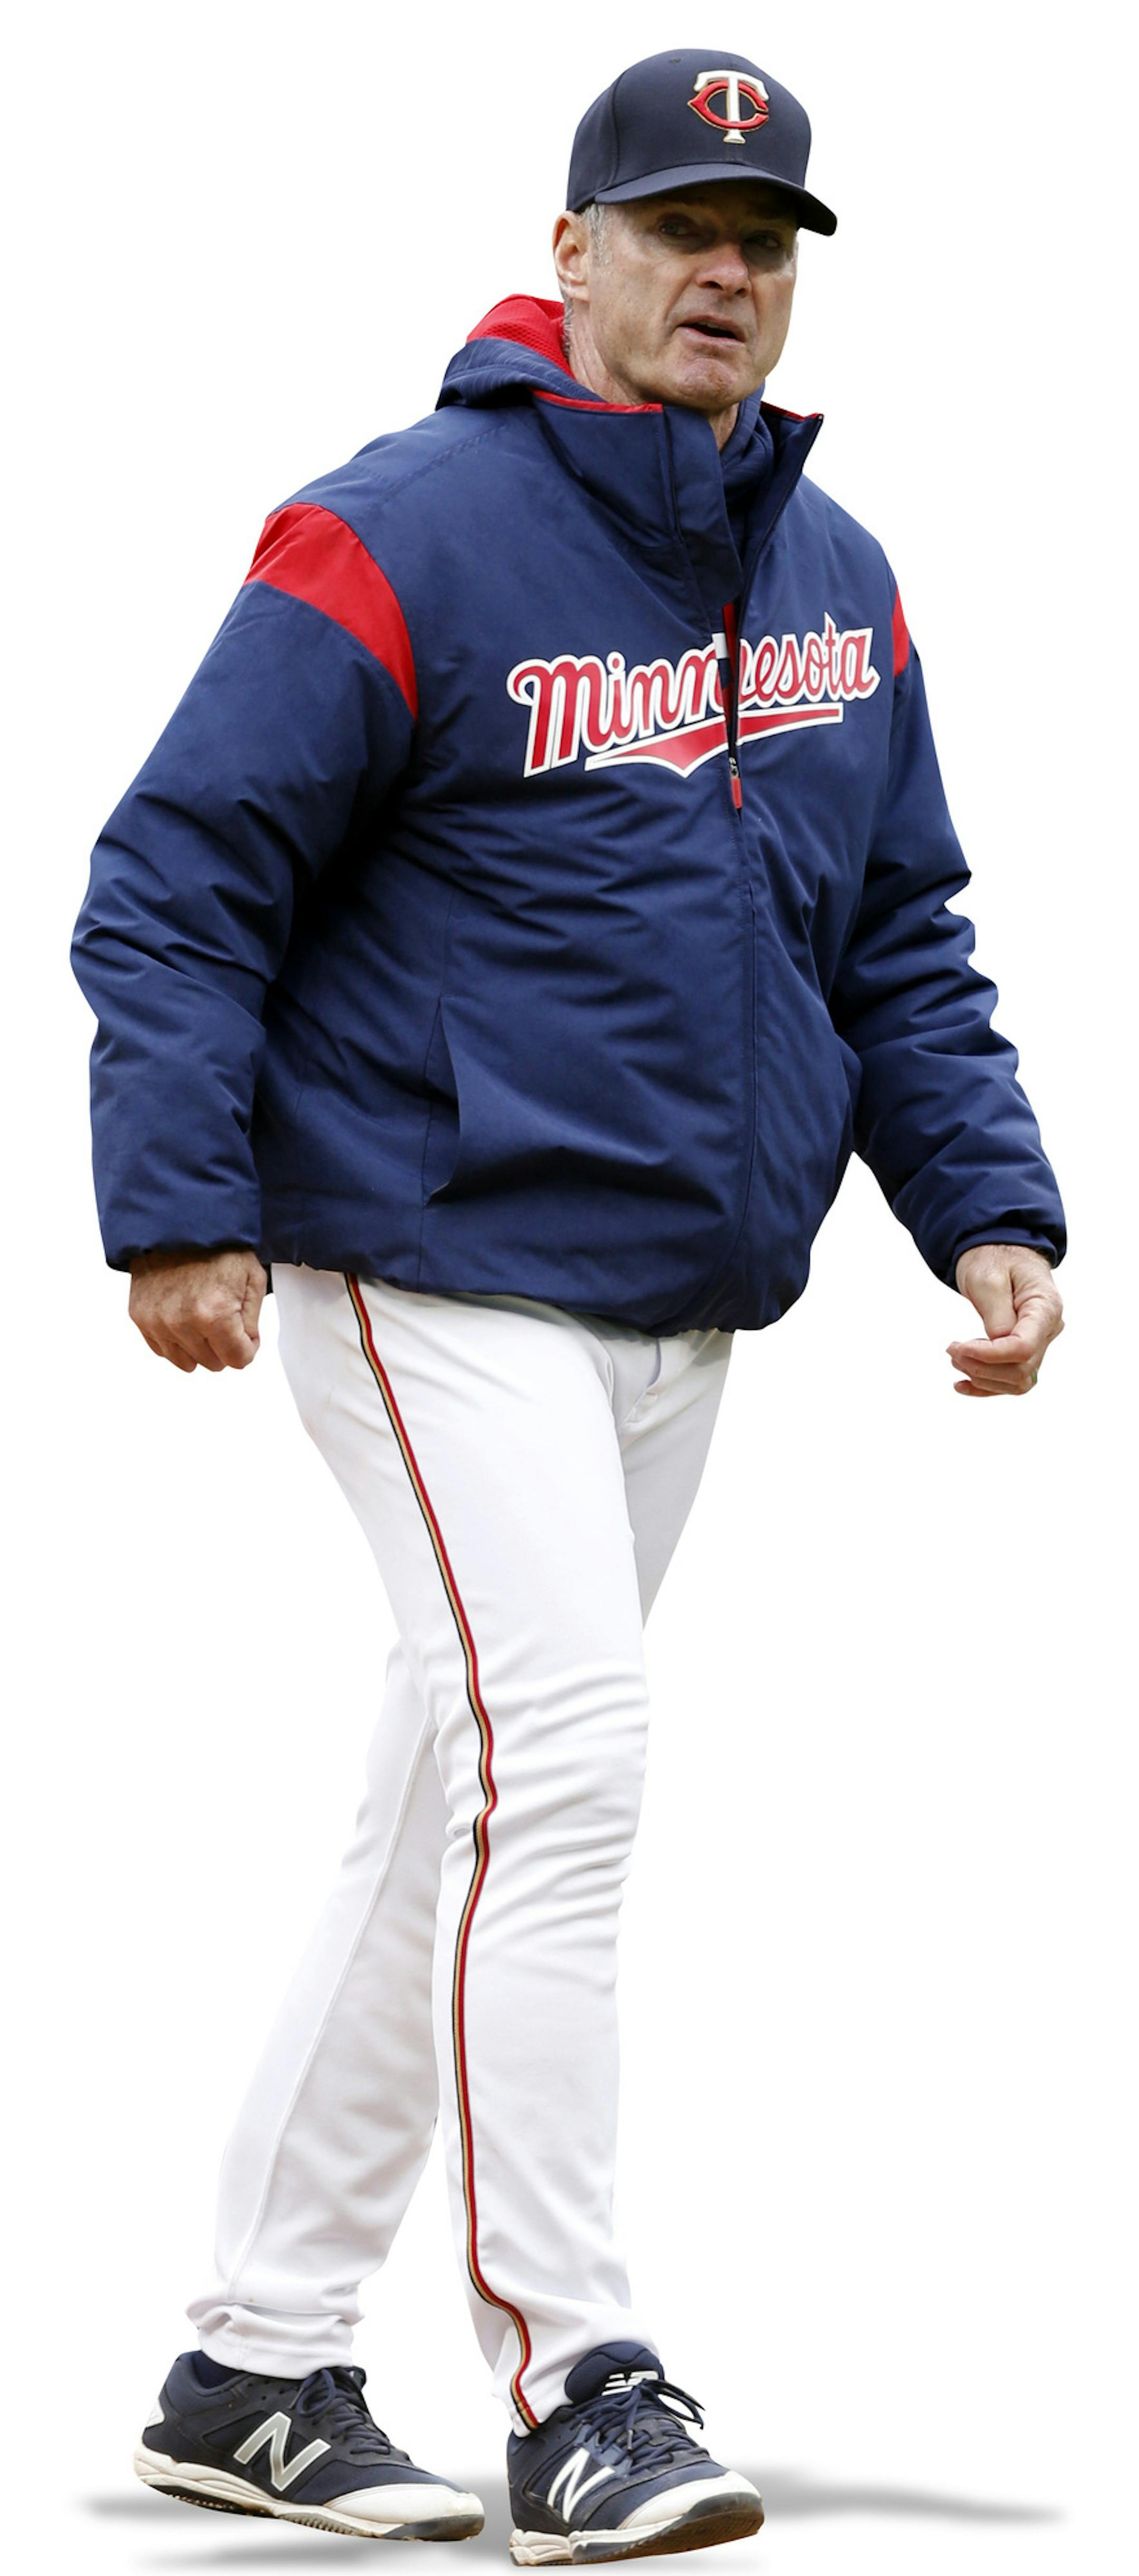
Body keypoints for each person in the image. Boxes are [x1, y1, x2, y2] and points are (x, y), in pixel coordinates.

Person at [71, 45, 1066, 2565]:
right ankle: (581, 2376)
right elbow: (179, 872)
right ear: (576, 246)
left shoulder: (833, 571)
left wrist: (985, 1205)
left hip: (677, 1295)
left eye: (771, 235)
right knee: (577, 1771)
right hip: (431, 1257)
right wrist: (173, 1203)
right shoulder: (393, 531)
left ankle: (257, 2359)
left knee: (458, 1807)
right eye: (684, 224)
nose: (730, 268)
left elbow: (903, 932)